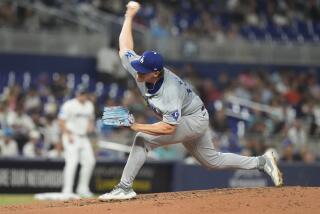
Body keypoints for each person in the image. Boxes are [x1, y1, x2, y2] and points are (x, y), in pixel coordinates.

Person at [99, 1, 283, 201]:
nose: (138, 73)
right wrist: (129, 16)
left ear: (155, 73)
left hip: (193, 119)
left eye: (144, 72)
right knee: (212, 162)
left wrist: (136, 126)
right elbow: (124, 47)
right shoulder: (140, 68)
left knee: (142, 138)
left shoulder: (169, 91)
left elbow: (169, 128)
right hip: (193, 115)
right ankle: (262, 162)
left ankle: (125, 187)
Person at [58, 86, 96, 198]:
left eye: (84, 94)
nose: (82, 96)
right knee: (72, 162)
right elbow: (61, 121)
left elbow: (90, 119)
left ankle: (82, 189)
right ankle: (67, 190)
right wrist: (68, 134)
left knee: (90, 161)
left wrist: (90, 126)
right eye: (80, 94)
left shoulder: (89, 105)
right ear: (76, 94)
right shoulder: (69, 105)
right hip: (71, 136)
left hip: (83, 137)